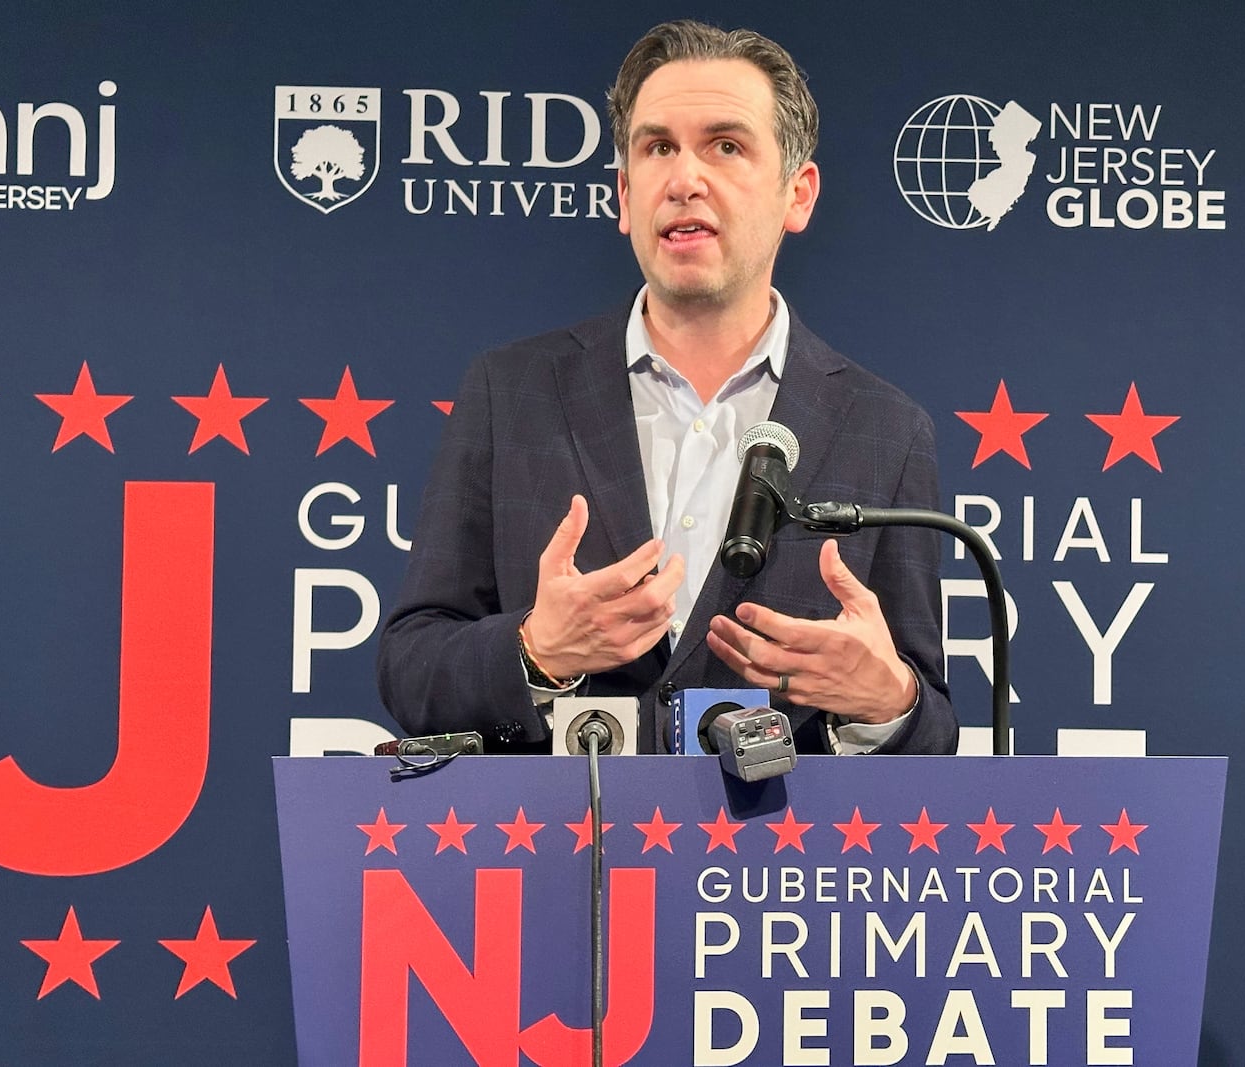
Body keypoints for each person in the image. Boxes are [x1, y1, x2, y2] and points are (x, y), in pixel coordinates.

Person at [377, 20, 956, 755]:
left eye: (726, 145)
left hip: (770, 867)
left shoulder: (886, 429)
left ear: (797, 194)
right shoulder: (510, 392)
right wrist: (535, 650)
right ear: (624, 194)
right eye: (657, 148)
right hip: (556, 857)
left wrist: (884, 700)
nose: (685, 179)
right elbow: (411, 667)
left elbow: (932, 730)